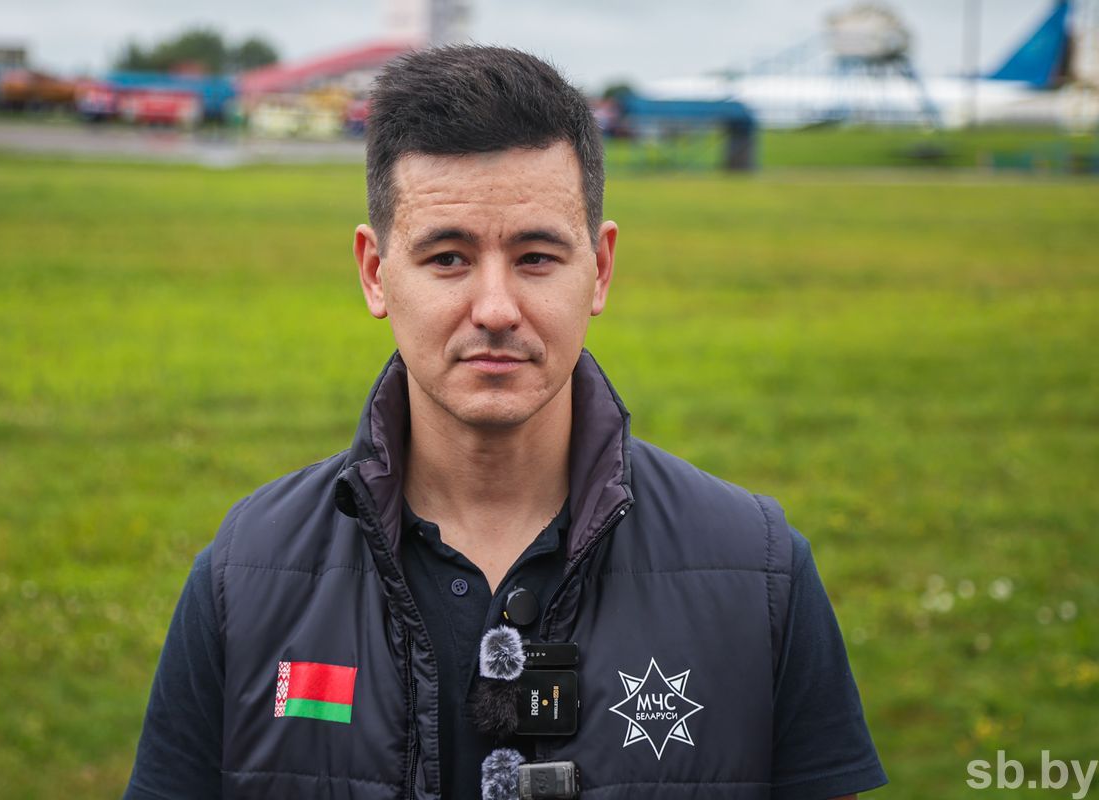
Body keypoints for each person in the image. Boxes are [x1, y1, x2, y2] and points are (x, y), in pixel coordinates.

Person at [124, 46, 887, 800]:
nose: (495, 309)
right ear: (375, 273)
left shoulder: (761, 574)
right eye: (448, 258)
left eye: (536, 257)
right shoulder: (243, 577)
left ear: (601, 269)